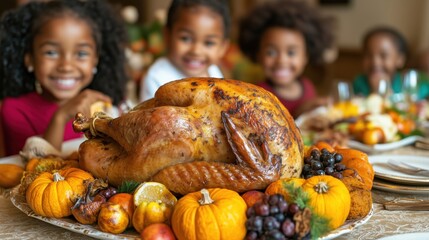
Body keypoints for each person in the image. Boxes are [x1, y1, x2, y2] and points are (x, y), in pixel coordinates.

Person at [0, 0, 128, 156]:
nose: (66, 66)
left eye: (81, 54)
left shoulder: (100, 105)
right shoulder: (14, 110)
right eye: (51, 53)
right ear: (30, 59)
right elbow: (39, 169)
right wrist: (61, 117)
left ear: (96, 60)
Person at [238, 0, 334, 118]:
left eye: (291, 53)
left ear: (306, 56)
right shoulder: (256, 94)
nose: (281, 61)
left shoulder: (308, 87)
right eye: (271, 52)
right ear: (258, 54)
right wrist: (300, 110)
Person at [139, 0, 230, 102]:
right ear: (167, 36)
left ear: (223, 47)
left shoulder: (214, 72)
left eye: (209, 43)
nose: (196, 51)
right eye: (185, 38)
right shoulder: (156, 77)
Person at [353, 26, 429, 100]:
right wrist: (375, 92)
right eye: (368, 55)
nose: (375, 62)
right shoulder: (360, 82)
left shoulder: (413, 83)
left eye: (383, 56)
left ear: (400, 59)